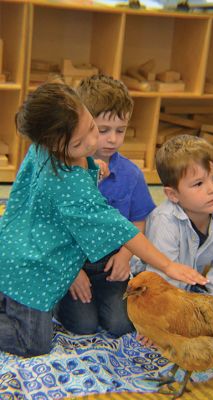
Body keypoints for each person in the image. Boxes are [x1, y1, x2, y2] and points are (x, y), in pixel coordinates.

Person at [0, 83, 207, 357]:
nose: (93, 142)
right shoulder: (69, 184)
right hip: (33, 270)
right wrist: (167, 265)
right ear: (52, 143)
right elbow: (121, 229)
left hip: (14, 245)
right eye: (79, 143)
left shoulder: (42, 149)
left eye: (91, 128)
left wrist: (92, 167)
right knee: (33, 343)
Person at [57, 75, 156, 336]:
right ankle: (59, 299)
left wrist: (125, 256)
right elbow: (54, 227)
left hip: (111, 265)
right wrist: (72, 272)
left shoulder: (132, 174)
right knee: (84, 326)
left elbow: (138, 220)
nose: (112, 139)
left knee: (121, 325)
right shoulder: (66, 171)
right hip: (72, 264)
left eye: (120, 130)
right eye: (103, 130)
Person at [142, 134, 213, 299]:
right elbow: (163, 283)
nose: (212, 189)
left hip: (190, 285)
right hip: (160, 288)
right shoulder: (164, 221)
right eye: (198, 183)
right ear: (173, 194)